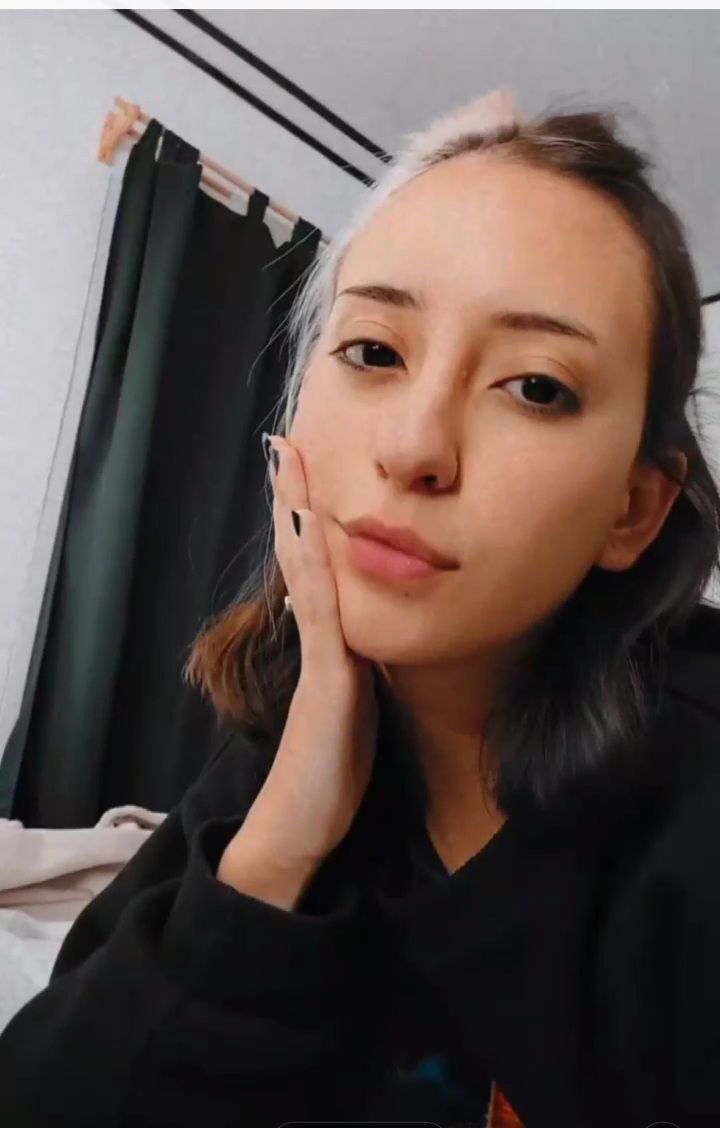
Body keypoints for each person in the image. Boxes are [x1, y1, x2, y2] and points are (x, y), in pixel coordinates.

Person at [1, 87, 720, 1128]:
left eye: (536, 386)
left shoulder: (692, 823)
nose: (416, 447)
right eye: (375, 351)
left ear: (633, 509)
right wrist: (285, 835)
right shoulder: (294, 748)